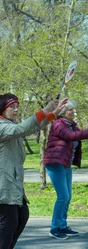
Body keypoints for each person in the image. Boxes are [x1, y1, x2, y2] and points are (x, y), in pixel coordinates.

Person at [0, 94, 67, 249]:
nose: (16, 110)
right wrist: (45, 110)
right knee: (9, 221)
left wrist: (53, 113)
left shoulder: (9, 124)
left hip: (12, 179)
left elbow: (31, 127)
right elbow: (23, 128)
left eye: (17, 107)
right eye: (12, 107)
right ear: (2, 108)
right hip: (2, 180)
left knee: (22, 215)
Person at [44, 100, 88, 239]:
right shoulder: (58, 124)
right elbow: (71, 136)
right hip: (55, 163)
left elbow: (80, 134)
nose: (73, 112)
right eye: (70, 110)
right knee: (63, 196)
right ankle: (55, 228)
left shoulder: (71, 125)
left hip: (65, 164)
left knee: (67, 197)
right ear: (63, 112)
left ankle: (62, 226)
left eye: (73, 110)